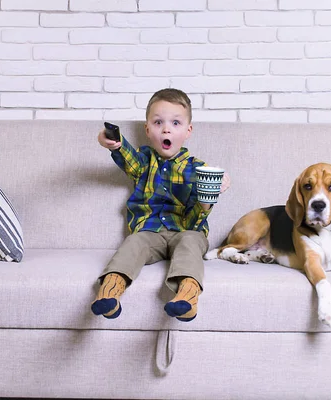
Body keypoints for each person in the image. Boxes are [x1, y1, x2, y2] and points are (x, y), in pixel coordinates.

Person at [91, 88, 230, 322]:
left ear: (188, 131)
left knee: (191, 242)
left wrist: (210, 195)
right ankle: (110, 293)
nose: (166, 129)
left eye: (175, 123)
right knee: (133, 242)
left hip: (186, 230)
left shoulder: (198, 168)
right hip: (149, 232)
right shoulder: (144, 161)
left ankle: (187, 297)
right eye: (158, 122)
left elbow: (198, 219)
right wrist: (112, 142)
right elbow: (128, 157)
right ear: (147, 130)